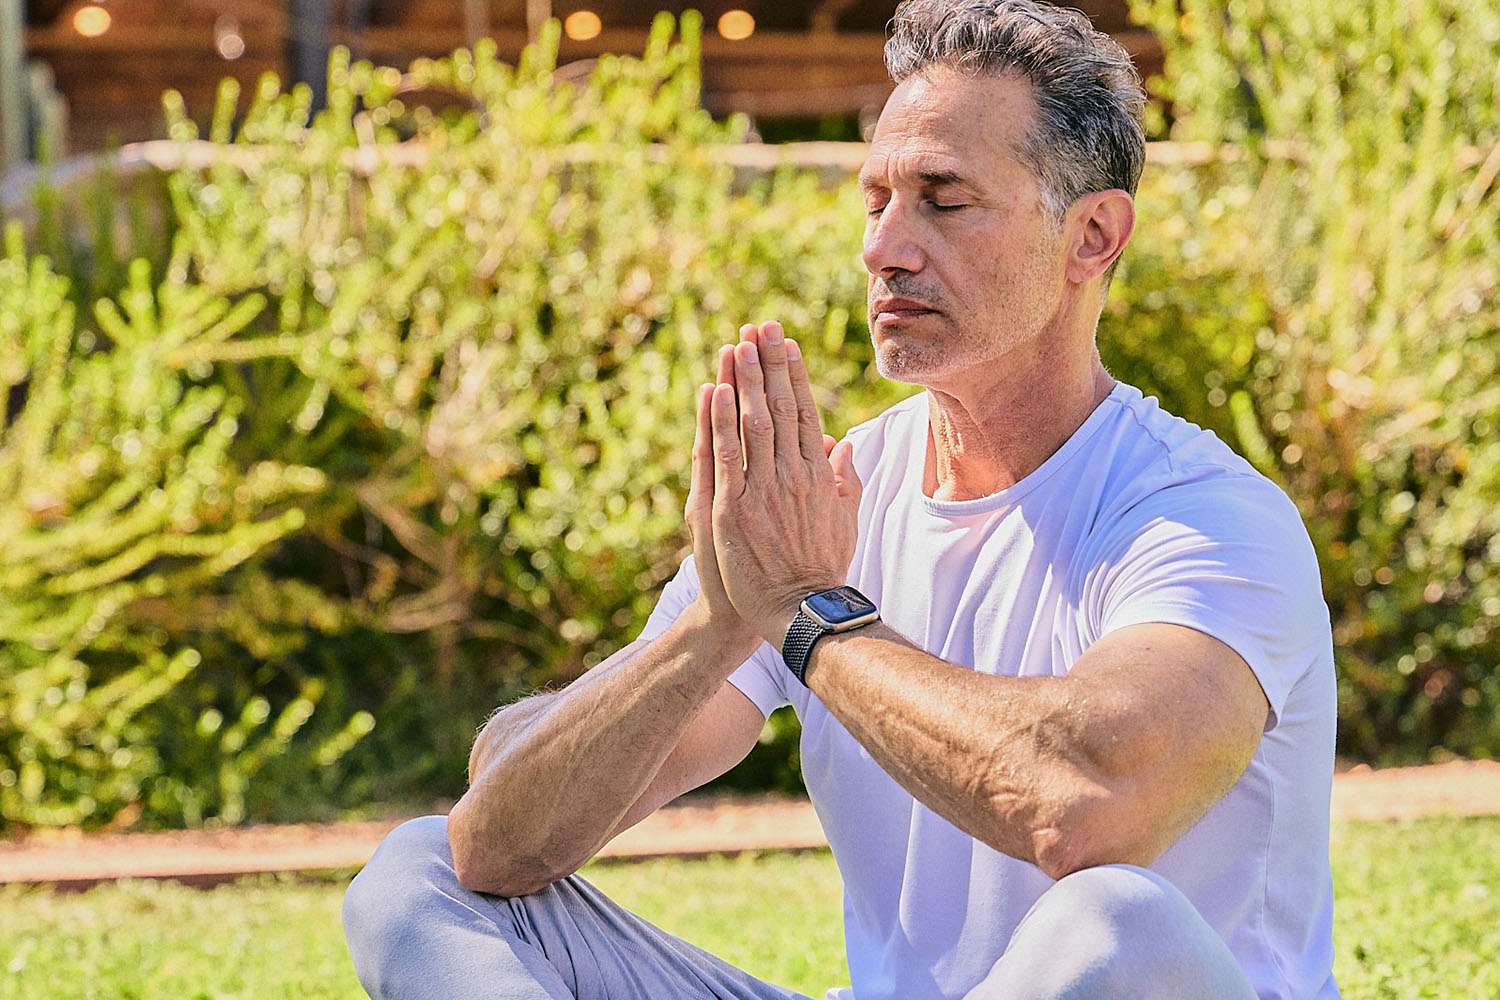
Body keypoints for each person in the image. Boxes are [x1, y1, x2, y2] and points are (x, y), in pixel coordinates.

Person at [342, 2, 1339, 997]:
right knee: (421, 872)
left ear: (1093, 235)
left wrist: (810, 617)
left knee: (1113, 920)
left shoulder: (1206, 515)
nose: (885, 249)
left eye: (943, 200)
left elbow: (1086, 803)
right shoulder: (822, 509)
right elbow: (500, 844)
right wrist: (718, 625)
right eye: (876, 200)